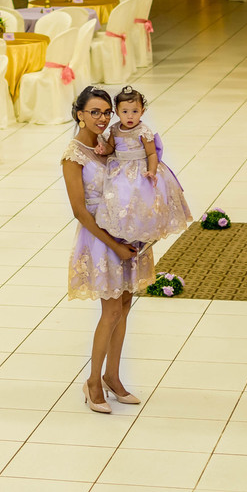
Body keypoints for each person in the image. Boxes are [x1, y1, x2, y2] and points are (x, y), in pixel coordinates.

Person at [62, 87, 155, 414]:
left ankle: (112, 377)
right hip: (101, 240)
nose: (102, 118)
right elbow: (79, 211)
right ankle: (92, 382)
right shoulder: (73, 155)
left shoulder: (111, 142)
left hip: (125, 233)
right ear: (80, 114)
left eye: (106, 112)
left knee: (125, 306)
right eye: (95, 112)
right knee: (111, 311)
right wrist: (115, 245)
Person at [93, 86, 193, 245]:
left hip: (140, 168)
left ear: (142, 111)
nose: (130, 116)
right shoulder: (115, 129)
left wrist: (151, 171)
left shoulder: (143, 131)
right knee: (121, 194)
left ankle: (143, 225)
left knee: (142, 197)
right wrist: (104, 150)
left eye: (135, 111)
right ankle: (124, 224)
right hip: (122, 168)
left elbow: (152, 153)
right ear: (117, 112)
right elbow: (112, 147)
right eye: (125, 112)